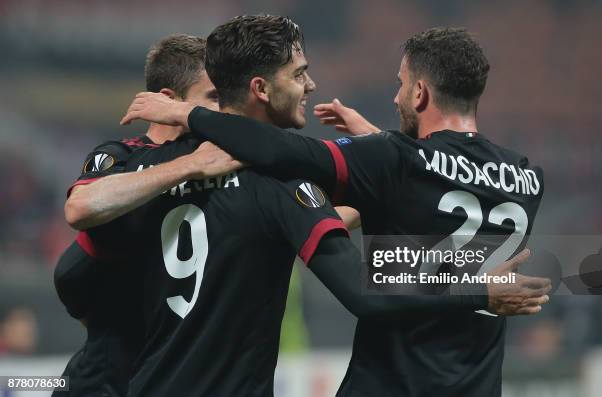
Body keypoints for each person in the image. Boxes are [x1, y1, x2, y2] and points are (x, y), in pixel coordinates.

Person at [122, 27, 547, 396]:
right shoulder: (528, 178)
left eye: (401, 84)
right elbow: (438, 188)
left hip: (389, 386)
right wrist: (378, 146)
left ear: (420, 93)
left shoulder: (392, 159)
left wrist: (187, 113)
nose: (396, 95)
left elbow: (279, 149)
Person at [53, 34, 231, 397]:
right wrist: (189, 166)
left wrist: (380, 171)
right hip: (105, 384)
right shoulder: (122, 156)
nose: (225, 110)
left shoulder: (234, 163)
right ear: (167, 101)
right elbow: (79, 209)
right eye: (213, 97)